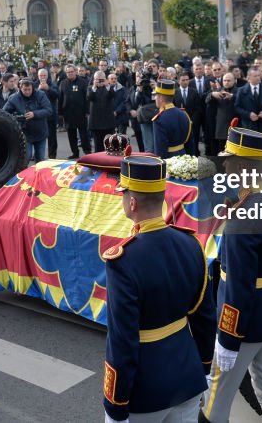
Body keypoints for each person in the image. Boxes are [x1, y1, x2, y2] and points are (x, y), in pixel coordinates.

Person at [102, 155, 214, 423]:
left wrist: (116, 405)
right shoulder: (192, 245)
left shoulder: (123, 261)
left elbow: (123, 341)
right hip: (187, 377)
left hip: (146, 391)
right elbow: (205, 317)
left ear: (131, 202)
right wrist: (204, 370)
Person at [202, 126, 262, 423]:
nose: (225, 164)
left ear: (243, 165)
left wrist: (228, 338)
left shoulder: (243, 219)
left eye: (229, 159)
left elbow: (238, 286)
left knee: (215, 400)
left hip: (242, 323)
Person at [3, 78, 53, 164]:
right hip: (24, 133)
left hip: (40, 131)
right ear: (20, 88)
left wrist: (35, 114)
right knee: (26, 158)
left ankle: (39, 176)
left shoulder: (41, 95)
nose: (27, 92)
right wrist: (16, 117)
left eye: (29, 89)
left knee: (40, 158)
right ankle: (24, 176)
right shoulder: (14, 98)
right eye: (24, 90)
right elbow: (4, 113)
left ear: (33, 88)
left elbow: (48, 110)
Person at [151, 79, 191, 159]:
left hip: (169, 160)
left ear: (161, 98)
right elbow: (190, 143)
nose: (155, 98)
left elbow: (160, 150)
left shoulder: (159, 119)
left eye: (156, 95)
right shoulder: (184, 114)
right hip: (184, 157)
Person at [58, 65, 91, 158]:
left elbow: (87, 98)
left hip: (81, 113)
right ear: (66, 73)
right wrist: (59, 112)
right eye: (68, 72)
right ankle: (75, 152)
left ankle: (87, 151)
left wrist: (87, 111)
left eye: (72, 72)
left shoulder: (83, 82)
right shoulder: (63, 83)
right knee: (71, 135)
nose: (70, 74)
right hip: (68, 114)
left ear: (75, 72)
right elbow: (60, 98)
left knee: (84, 134)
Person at [87, 71, 117, 152]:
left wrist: (107, 85)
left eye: (101, 79)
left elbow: (113, 95)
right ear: (94, 80)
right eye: (97, 79)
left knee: (109, 145)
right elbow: (89, 98)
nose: (100, 81)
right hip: (96, 122)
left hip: (108, 121)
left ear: (105, 79)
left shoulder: (108, 88)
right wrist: (94, 87)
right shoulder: (91, 88)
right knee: (98, 146)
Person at [36, 69, 61, 159]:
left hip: (50, 115)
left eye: (44, 76)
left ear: (47, 76)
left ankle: (52, 155)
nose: (42, 77)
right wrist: (38, 90)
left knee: (52, 138)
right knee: (38, 137)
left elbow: (57, 95)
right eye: (41, 76)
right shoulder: (35, 84)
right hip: (38, 116)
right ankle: (38, 156)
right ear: (38, 76)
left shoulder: (52, 84)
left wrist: (48, 89)